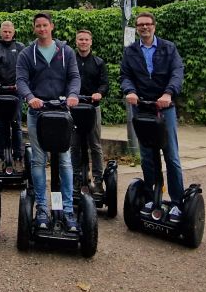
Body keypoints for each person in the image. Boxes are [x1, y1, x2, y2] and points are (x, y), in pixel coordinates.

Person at [15, 12, 81, 233]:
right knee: (38, 160)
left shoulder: (66, 51)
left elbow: (74, 77)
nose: (42, 29)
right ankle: (42, 208)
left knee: (64, 161)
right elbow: (21, 80)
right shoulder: (26, 53)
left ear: (52, 27)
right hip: (38, 113)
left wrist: (73, 95)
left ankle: (68, 209)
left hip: (61, 113)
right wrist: (30, 97)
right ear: (34, 29)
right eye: (38, 26)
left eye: (45, 25)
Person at [119, 11, 185, 222]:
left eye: (147, 24)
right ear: (137, 28)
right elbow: (125, 75)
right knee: (147, 156)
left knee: (171, 156)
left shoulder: (168, 48)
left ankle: (176, 203)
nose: (144, 28)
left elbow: (177, 72)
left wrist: (168, 93)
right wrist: (130, 91)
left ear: (154, 26)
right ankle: (150, 197)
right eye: (140, 25)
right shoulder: (131, 51)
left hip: (164, 108)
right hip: (143, 109)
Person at [71, 29, 109, 195]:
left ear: (91, 42)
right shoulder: (70, 61)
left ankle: (98, 180)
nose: (83, 42)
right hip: (74, 108)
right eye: (81, 40)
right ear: (76, 42)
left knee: (95, 145)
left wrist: (99, 93)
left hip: (92, 108)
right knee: (74, 145)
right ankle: (76, 177)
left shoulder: (98, 62)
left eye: (86, 39)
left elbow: (105, 84)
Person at [0, 20, 26, 171]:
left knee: (16, 126)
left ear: (13, 32)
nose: (7, 34)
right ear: (0, 32)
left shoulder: (20, 48)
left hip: (15, 91)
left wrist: (22, 82)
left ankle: (18, 158)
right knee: (0, 126)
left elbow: (26, 68)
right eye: (4, 31)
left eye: (9, 31)